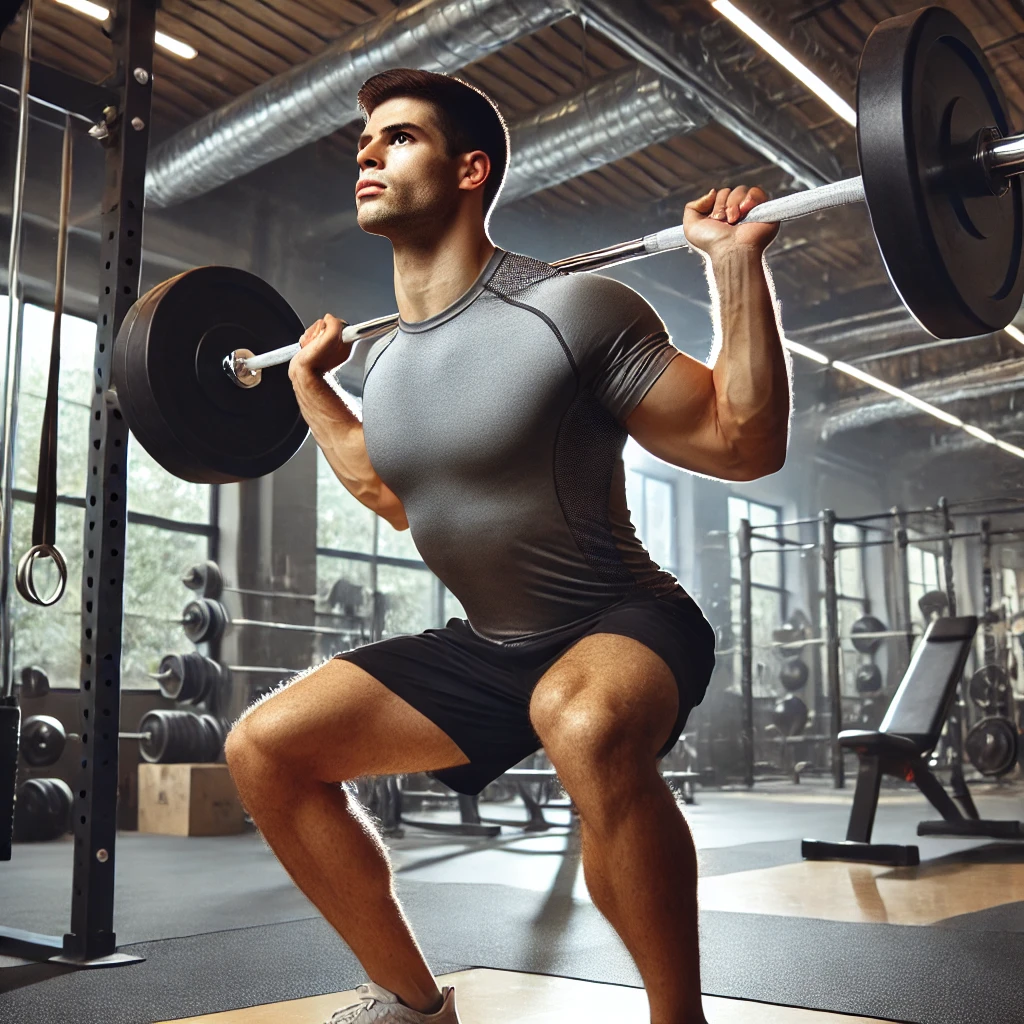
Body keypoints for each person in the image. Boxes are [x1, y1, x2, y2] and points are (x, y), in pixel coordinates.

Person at [224, 68, 788, 1024]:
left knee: (581, 717)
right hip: (492, 646)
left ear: (470, 170)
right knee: (264, 748)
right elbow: (392, 494)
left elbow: (744, 443)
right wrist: (314, 391)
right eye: (365, 145)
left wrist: (733, 267)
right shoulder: (389, 359)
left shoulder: (573, 311)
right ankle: (411, 1002)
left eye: (398, 139)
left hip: (623, 618)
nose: (367, 153)